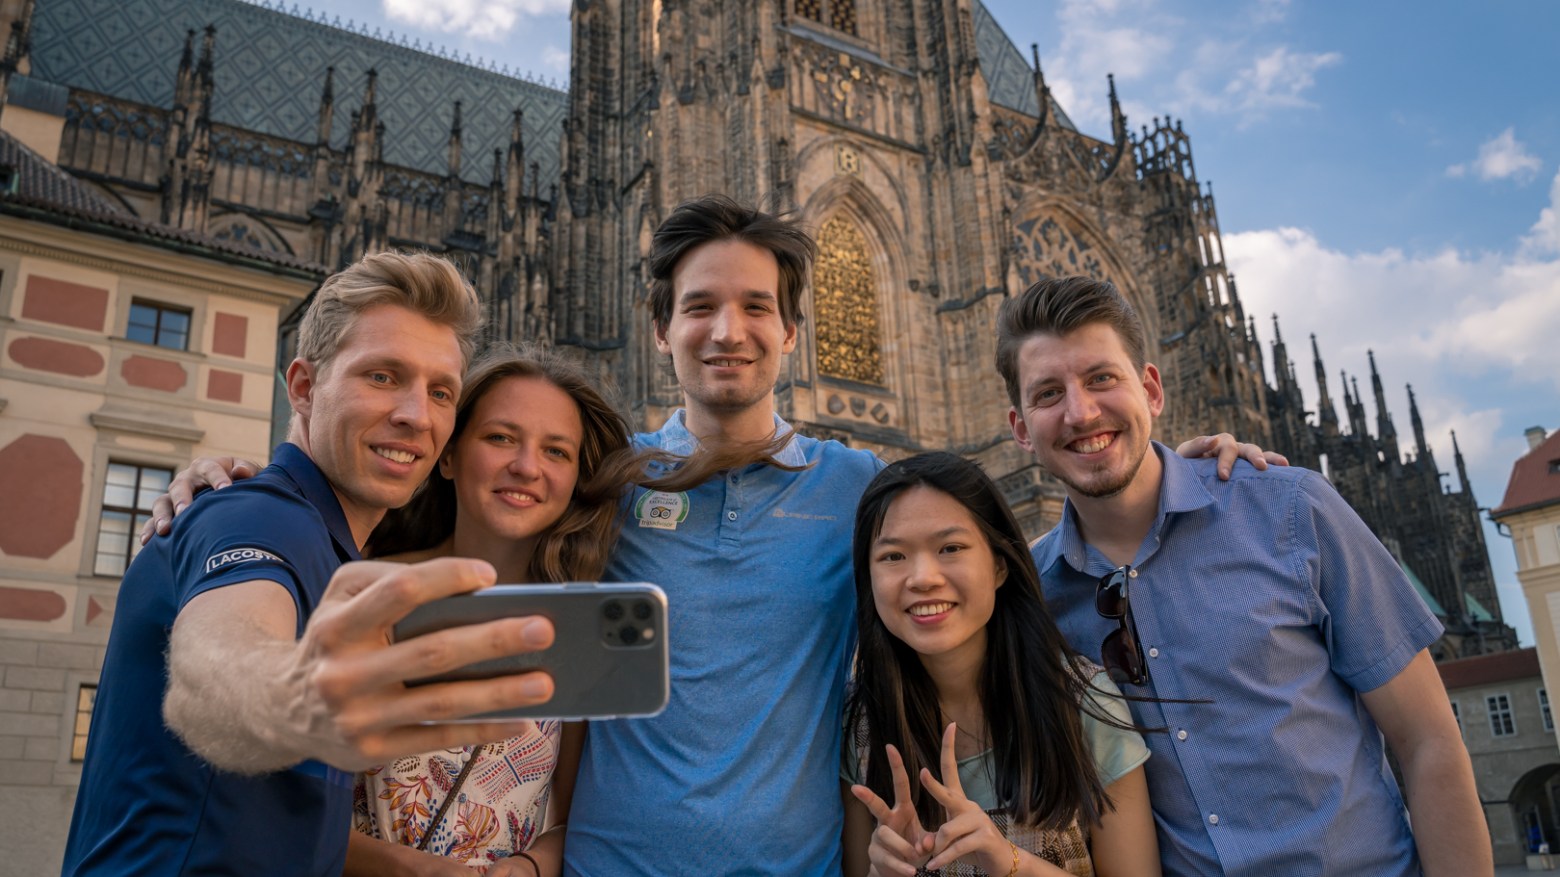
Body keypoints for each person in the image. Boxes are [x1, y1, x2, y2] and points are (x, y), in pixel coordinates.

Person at [145, 199, 1274, 876]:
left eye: (753, 310)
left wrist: (1179, 459)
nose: (725, 332)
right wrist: (245, 470)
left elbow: (979, 561)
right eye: (698, 307)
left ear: (791, 330)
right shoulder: (603, 481)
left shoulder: (861, 492)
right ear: (661, 329)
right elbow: (454, 502)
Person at [64, 252, 559, 877]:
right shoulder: (261, 519)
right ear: (303, 387)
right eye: (382, 376)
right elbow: (219, 665)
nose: (416, 415)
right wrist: (296, 699)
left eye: (441, 392)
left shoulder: (329, 543)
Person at [996, 275, 1491, 876]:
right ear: (1021, 428)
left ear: (1151, 389)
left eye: (1102, 378)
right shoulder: (1034, 595)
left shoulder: (1289, 509)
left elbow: (1429, 743)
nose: (1081, 411)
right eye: (1048, 394)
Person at [344, 344, 652, 876]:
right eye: (500, 438)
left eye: (556, 451)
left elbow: (579, 818)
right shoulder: (364, 589)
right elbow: (283, 801)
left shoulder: (576, 629)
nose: (526, 466)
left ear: (576, 479)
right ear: (447, 454)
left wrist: (528, 868)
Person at [842, 452, 1158, 877]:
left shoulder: (1081, 701)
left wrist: (1009, 863)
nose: (922, 577)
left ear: (999, 566)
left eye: (950, 548)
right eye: (893, 556)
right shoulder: (861, 728)